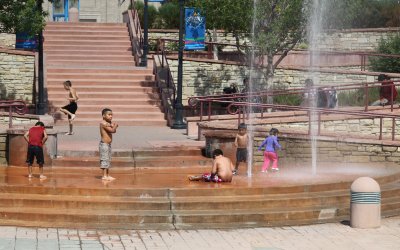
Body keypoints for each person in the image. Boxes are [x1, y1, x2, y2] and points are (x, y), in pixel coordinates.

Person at [99, 108, 118, 181]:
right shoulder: (103, 123)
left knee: (108, 159)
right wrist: (115, 125)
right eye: (109, 115)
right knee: (104, 159)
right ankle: (104, 175)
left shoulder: (108, 123)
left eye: (111, 115)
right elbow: (112, 130)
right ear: (103, 116)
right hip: (104, 145)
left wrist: (113, 126)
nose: (111, 116)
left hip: (108, 145)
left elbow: (114, 131)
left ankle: (107, 175)